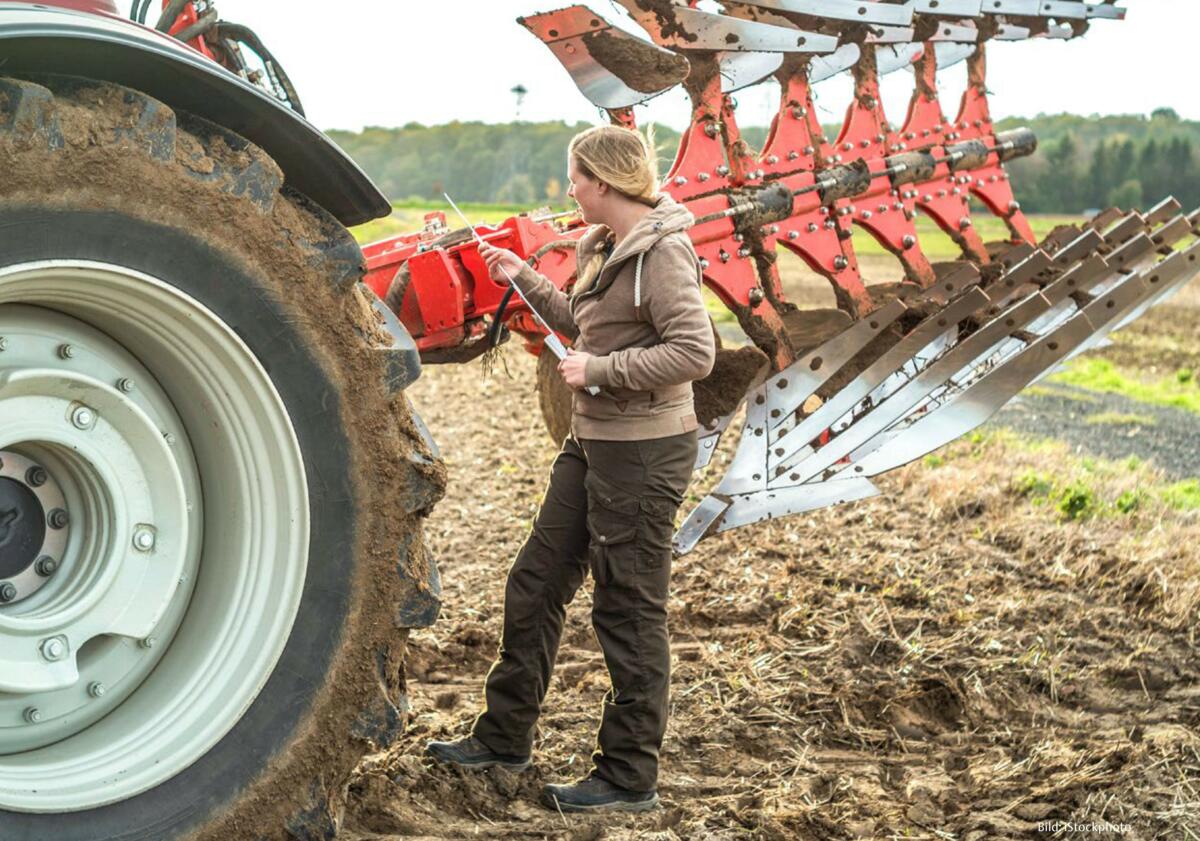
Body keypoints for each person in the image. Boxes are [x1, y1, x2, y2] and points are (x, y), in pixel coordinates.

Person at [426, 124, 716, 813]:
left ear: (607, 182)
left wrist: (602, 370)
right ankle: (503, 738)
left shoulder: (664, 253)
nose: (570, 189)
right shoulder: (604, 245)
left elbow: (696, 351)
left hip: (644, 451)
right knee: (535, 581)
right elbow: (585, 324)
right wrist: (520, 276)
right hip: (595, 442)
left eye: (577, 178)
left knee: (627, 606)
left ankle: (627, 777)